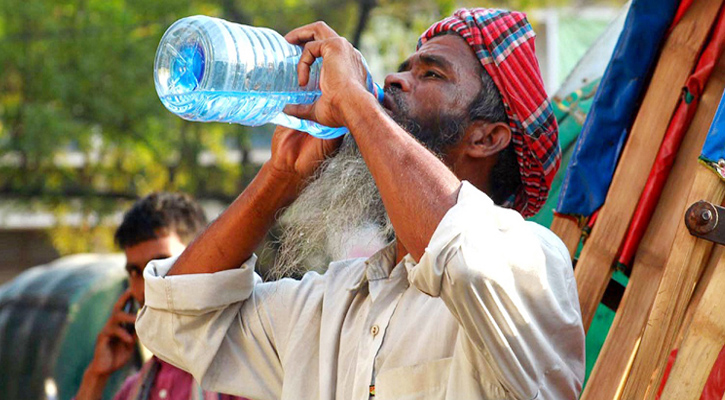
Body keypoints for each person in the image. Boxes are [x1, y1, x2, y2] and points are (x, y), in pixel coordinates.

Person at [137, 8, 585, 400]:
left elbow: (459, 255)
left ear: (487, 137)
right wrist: (281, 177)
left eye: (431, 73)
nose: (393, 80)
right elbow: (174, 323)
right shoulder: (334, 302)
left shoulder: (533, 261)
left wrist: (354, 102)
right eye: (404, 68)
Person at [75, 192, 246, 400]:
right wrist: (96, 376)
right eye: (136, 272)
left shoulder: (246, 373)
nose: (148, 286)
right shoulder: (136, 389)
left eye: (162, 265)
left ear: (204, 259)